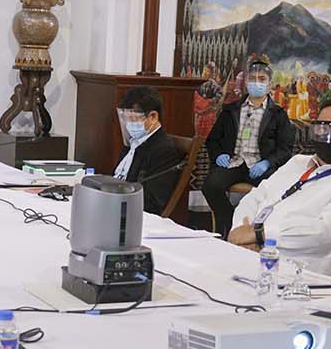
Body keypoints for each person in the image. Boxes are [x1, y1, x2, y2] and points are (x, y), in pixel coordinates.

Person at [227, 96, 331, 276]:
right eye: (323, 127)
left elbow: (325, 232)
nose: (330, 134)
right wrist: (239, 233)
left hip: (295, 276)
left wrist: (260, 236)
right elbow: (255, 198)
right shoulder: (298, 163)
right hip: (246, 255)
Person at [202, 55, 295, 236]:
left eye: (262, 79)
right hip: (234, 162)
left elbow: (285, 148)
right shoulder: (231, 110)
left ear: (269, 83)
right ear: (245, 81)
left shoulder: (278, 114)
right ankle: (227, 223)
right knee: (210, 186)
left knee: (274, 194)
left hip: (260, 165)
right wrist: (219, 154)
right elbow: (212, 139)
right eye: (252, 79)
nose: (256, 83)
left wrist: (267, 163)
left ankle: (256, 232)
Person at [114, 86, 185, 215]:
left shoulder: (164, 150)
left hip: (134, 214)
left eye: (133, 119)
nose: (129, 125)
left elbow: (152, 201)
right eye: (126, 119)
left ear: (152, 116)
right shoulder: (133, 143)